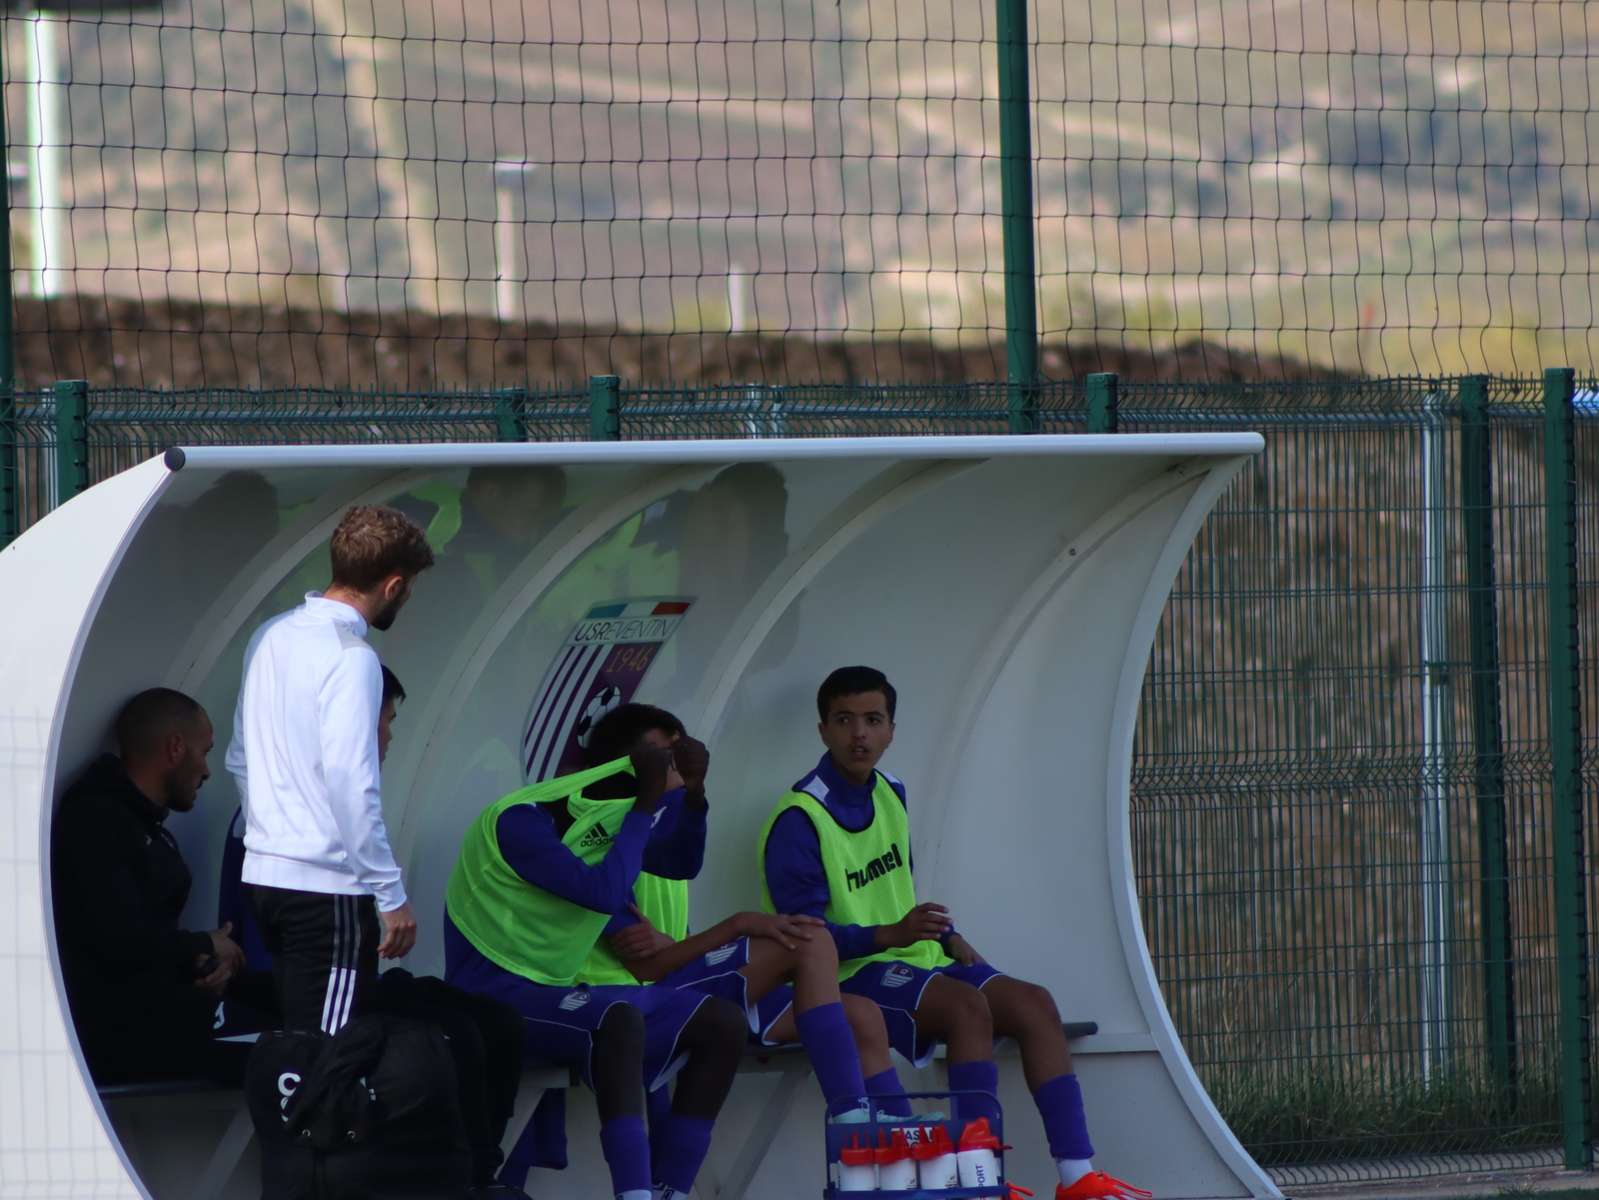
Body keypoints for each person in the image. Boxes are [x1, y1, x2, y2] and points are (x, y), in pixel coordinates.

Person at [760, 666, 1152, 1200]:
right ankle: (976, 1178)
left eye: (873, 720)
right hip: (850, 975)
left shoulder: (892, 790)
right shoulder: (799, 817)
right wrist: (892, 935)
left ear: (892, 730)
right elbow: (805, 941)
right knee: (967, 1007)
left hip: (913, 956)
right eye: (844, 720)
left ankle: (1077, 1176)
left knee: (1035, 1002)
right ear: (823, 730)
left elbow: (895, 891)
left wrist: (946, 936)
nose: (859, 733)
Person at [223, 664, 530, 1200]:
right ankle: (463, 1179)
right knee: (452, 1035)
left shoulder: (336, 808)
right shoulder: (285, 821)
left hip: (364, 976)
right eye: (383, 722)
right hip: (308, 994)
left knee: (496, 1022)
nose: (387, 736)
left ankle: (481, 1172)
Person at [445, 736, 750, 1200]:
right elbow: (603, 894)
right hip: (493, 997)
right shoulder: (520, 820)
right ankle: (634, 1194)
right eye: (666, 762)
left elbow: (680, 861)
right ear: (630, 766)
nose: (671, 772)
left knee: (723, 1021)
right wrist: (646, 801)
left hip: (550, 992)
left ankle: (672, 1192)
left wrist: (694, 795)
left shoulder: (609, 825)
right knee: (618, 1020)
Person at [577, 703, 890, 1121]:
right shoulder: (601, 838)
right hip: (621, 1001)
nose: (680, 767)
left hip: (672, 979)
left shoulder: (668, 828)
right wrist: (739, 924)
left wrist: (676, 942)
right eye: (666, 759)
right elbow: (645, 965)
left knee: (863, 1013)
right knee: (809, 939)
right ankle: (851, 1118)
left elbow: (676, 912)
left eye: (681, 754)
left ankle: (895, 1131)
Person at [225, 504, 433, 1033]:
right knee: (330, 1054)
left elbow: (239, 757)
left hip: (265, 879)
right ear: (393, 586)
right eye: (410, 588)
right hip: (326, 891)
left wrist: (273, 836)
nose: (407, 597)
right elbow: (351, 785)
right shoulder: (353, 657)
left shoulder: (271, 633)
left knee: (303, 1042)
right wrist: (391, 895)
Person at [52, 688, 276, 1085]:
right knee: (294, 1051)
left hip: (168, 1002)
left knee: (292, 998)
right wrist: (203, 943)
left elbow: (149, 939)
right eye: (205, 752)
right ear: (175, 747)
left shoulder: (147, 826)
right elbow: (120, 939)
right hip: (122, 1027)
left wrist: (202, 965)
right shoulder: (95, 821)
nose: (207, 770)